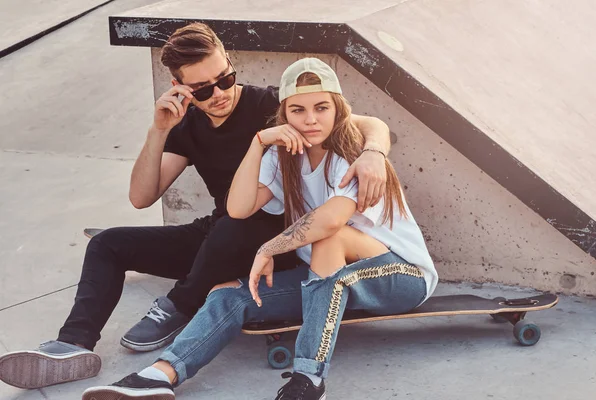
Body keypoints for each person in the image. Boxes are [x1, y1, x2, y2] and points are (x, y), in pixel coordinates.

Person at [0, 23, 391, 390]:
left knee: (237, 225)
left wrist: (373, 152)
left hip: (277, 241)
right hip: (220, 237)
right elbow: (141, 197)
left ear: (230, 65)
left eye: (225, 79)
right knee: (107, 244)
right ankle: (73, 346)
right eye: (202, 89)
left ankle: (179, 304)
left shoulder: (272, 104)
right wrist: (160, 129)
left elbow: (365, 122)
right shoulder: (187, 127)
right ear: (180, 88)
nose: (218, 93)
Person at [79, 58, 436, 400]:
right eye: (298, 110)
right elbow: (238, 208)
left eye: (321, 108)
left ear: (338, 109)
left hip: (400, 274)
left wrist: (269, 248)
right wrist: (258, 142)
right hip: (328, 278)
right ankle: (162, 374)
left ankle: (309, 379)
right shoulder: (284, 157)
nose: (311, 119)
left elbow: (330, 221)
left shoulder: (357, 155)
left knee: (330, 239)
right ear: (284, 114)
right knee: (226, 294)